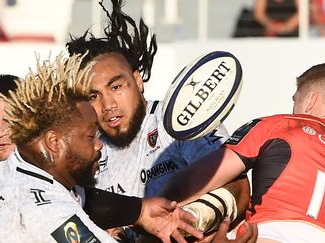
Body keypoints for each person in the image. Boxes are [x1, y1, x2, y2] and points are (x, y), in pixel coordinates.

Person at [0, 53, 203, 243]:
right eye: (90, 135)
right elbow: (62, 207)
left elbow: (84, 198)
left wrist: (139, 211)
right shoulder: (48, 212)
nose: (99, 144)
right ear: (53, 142)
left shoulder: (13, 166)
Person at [66, 0, 251, 241]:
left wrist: (193, 219)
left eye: (116, 86)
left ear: (138, 80)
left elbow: (238, 187)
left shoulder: (179, 120)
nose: (108, 104)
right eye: (94, 96)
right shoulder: (87, 148)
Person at [161, 62, 325, 242]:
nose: (293, 107)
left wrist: (146, 212)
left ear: (310, 101)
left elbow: (198, 179)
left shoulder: (284, 126)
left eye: (296, 99)